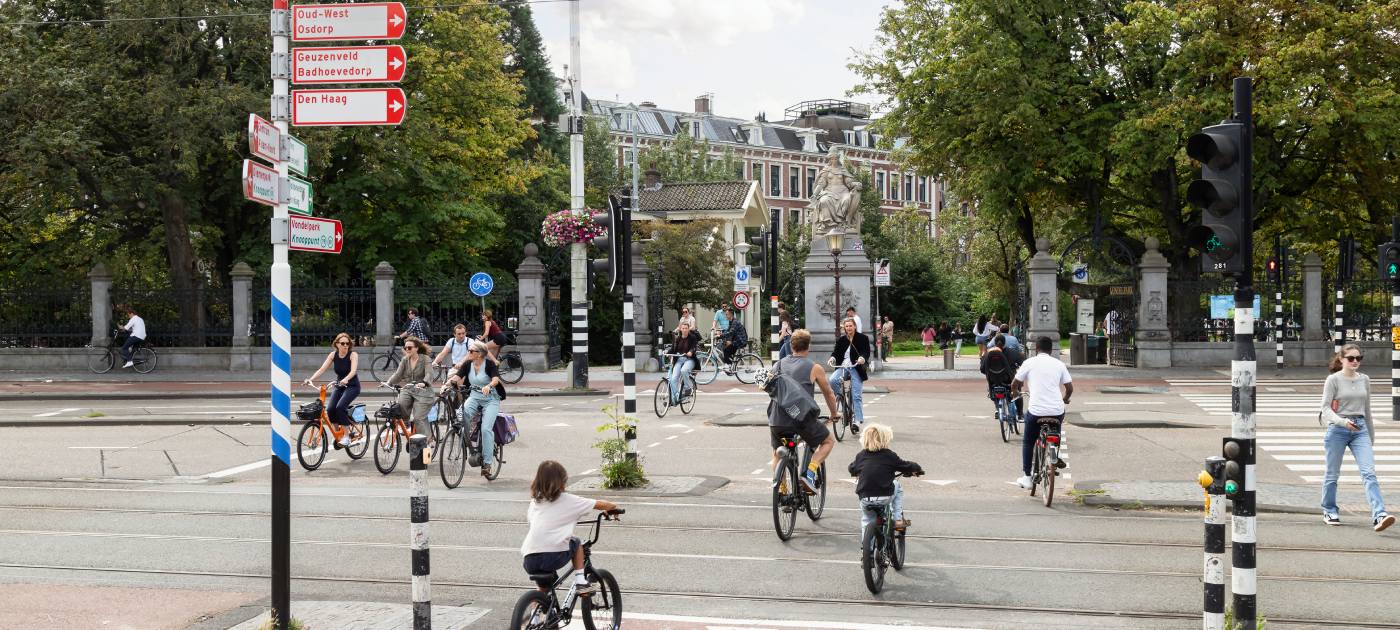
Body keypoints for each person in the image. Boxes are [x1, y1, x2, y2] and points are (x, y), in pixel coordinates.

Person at [1319, 344, 1394, 531]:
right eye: (1351, 358)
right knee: (1332, 475)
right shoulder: (1333, 380)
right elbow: (1325, 409)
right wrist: (1343, 423)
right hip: (1338, 429)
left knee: (1369, 473)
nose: (1355, 362)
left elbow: (1367, 409)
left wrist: (1371, 437)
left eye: (1358, 358)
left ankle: (1379, 515)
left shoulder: (1365, 380)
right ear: (1341, 359)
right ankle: (1329, 509)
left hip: (1360, 429)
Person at [520, 460, 619, 595]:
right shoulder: (569, 500)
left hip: (529, 558)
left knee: (544, 588)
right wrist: (613, 507)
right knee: (577, 542)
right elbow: (601, 504)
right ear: (562, 481)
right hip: (552, 556)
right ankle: (580, 581)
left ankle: (535, 614)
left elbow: (534, 524)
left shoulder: (535, 502)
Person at [770, 329, 840, 494]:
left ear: (790, 345)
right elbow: (829, 393)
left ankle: (782, 490)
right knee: (828, 441)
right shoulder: (814, 368)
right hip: (800, 420)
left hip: (777, 420)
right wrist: (834, 413)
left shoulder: (777, 365)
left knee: (777, 454)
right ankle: (809, 473)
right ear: (808, 346)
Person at [1011, 337, 1073, 489]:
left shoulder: (1029, 363)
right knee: (1056, 425)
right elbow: (1069, 388)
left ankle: (1027, 476)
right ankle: (1054, 451)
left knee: (1028, 441)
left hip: (1037, 411)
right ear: (1051, 350)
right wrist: (1065, 399)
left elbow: (1015, 383)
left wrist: (1015, 393)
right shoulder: (1059, 364)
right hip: (1056, 410)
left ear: (1036, 349)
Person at [849, 423, 923, 533]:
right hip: (885, 496)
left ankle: (866, 547)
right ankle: (898, 520)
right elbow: (905, 465)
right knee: (897, 486)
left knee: (867, 520)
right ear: (885, 440)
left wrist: (857, 472)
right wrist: (916, 469)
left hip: (865, 498)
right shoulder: (889, 455)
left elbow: (852, 468)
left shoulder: (861, 455)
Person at [449, 340, 505, 478]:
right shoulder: (468, 364)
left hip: (491, 399)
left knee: (486, 429)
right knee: (461, 415)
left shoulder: (489, 364)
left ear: (480, 354)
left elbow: (496, 379)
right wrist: (448, 384)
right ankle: (469, 443)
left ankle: (487, 463)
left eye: (471, 351)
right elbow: (457, 376)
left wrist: (489, 386)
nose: (468, 353)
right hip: (474, 397)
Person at [304, 332, 361, 447]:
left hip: (352, 386)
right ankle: (338, 433)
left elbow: (353, 371)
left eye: (347, 343)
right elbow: (321, 369)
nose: (345, 345)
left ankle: (346, 436)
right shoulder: (333, 355)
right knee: (330, 409)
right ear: (337, 344)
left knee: (340, 407)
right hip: (339, 385)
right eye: (343, 343)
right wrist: (310, 379)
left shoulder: (353, 354)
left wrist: (346, 379)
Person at [384, 336, 436, 452]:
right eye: (405, 347)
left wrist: (424, 382)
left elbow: (429, 374)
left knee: (418, 417)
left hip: (424, 391)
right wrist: (388, 382)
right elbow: (398, 375)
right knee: (400, 404)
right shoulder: (405, 360)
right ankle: (406, 424)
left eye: (409, 347)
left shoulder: (425, 359)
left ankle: (426, 441)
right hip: (408, 389)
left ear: (416, 348)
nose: (407, 349)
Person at [828, 317, 871, 431]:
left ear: (855, 326)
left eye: (850, 326)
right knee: (832, 380)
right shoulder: (841, 340)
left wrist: (862, 358)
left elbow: (866, 351)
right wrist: (832, 358)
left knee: (856, 395)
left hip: (856, 367)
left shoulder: (863, 338)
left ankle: (857, 421)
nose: (848, 328)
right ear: (844, 328)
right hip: (843, 366)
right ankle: (843, 402)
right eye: (846, 326)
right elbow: (836, 352)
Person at [981, 334, 1020, 420]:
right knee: (1018, 391)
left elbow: (982, 369)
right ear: (1005, 343)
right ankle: (1020, 414)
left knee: (993, 391)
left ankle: (997, 409)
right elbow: (1022, 363)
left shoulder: (988, 354)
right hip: (1009, 381)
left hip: (993, 381)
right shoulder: (1013, 352)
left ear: (994, 343)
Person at [668, 320, 702, 404]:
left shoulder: (692, 337)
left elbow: (694, 347)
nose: (684, 330)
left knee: (684, 370)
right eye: (683, 328)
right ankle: (675, 397)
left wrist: (691, 352)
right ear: (680, 329)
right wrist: (666, 353)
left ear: (688, 329)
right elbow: (673, 349)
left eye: (686, 328)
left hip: (689, 360)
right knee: (673, 378)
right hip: (679, 360)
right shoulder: (678, 338)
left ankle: (687, 388)